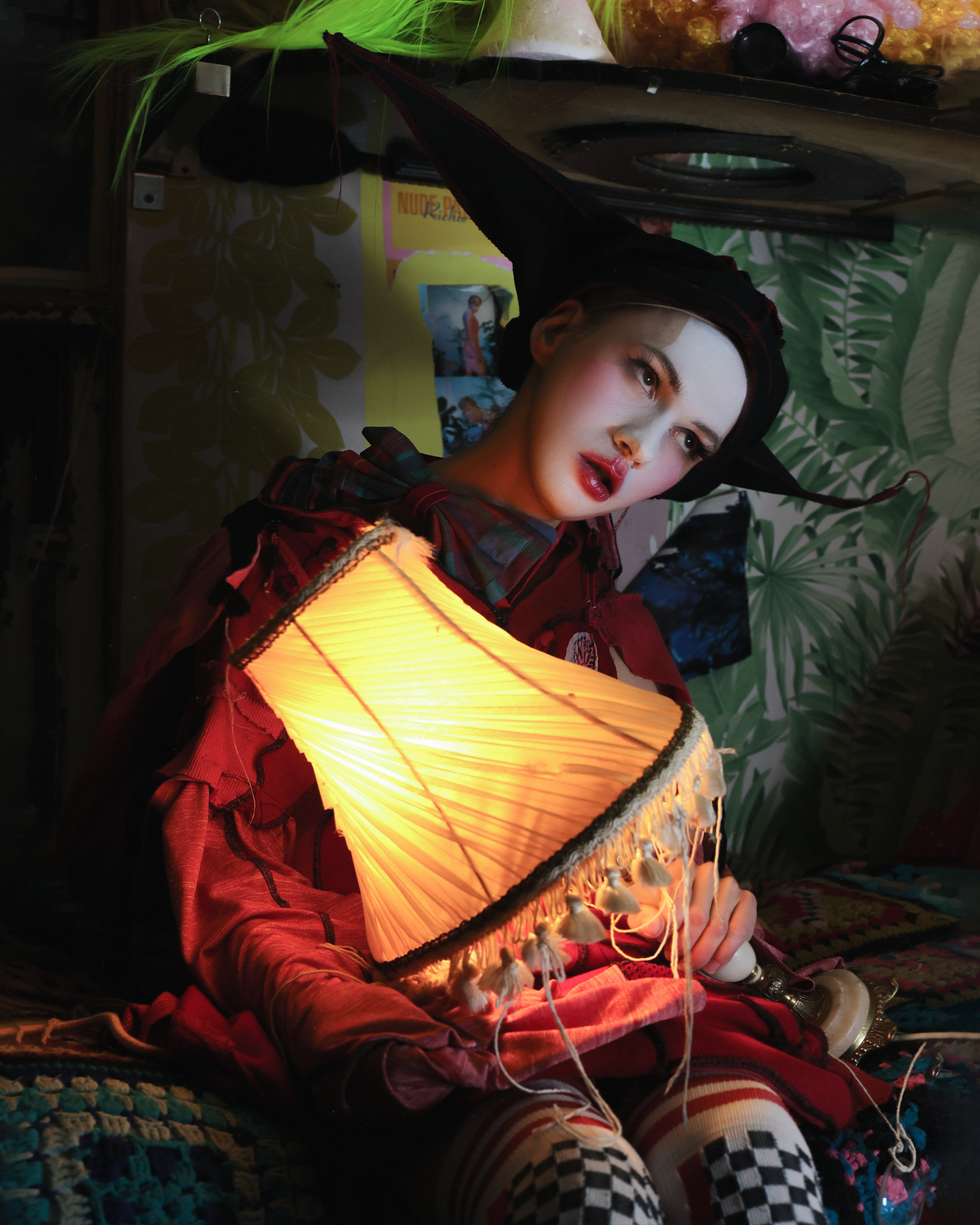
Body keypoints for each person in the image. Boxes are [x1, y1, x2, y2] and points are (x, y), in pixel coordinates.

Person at [59, 36, 916, 1225]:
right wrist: (363, 1014)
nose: (642, 447)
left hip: (607, 996)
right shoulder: (325, 560)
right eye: (644, 376)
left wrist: (703, 913)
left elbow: (640, 866)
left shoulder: (608, 621)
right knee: (585, 1185)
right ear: (554, 330)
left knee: (755, 1159)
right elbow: (230, 863)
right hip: (402, 999)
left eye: (688, 444)